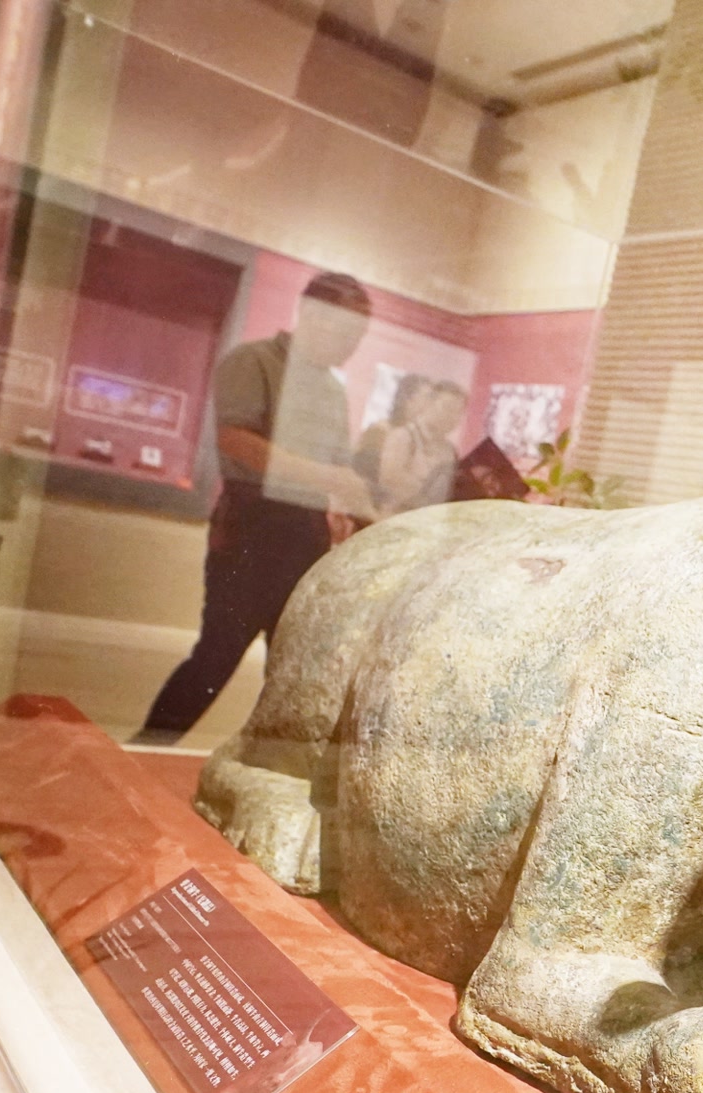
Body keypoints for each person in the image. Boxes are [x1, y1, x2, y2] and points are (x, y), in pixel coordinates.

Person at [134, 271, 376, 745]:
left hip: (306, 532)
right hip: (251, 525)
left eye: (358, 336)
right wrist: (325, 478)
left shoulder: (332, 389)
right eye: (347, 331)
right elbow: (236, 440)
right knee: (218, 653)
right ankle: (147, 748)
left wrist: (345, 508)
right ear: (311, 314)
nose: (352, 346)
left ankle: (262, 764)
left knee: (290, 664)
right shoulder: (253, 361)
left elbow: (336, 465)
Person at [354, 374, 465, 517]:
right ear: (430, 404)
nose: (452, 417)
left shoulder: (450, 451)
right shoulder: (403, 436)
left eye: (458, 412)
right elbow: (390, 480)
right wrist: (428, 497)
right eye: (447, 408)